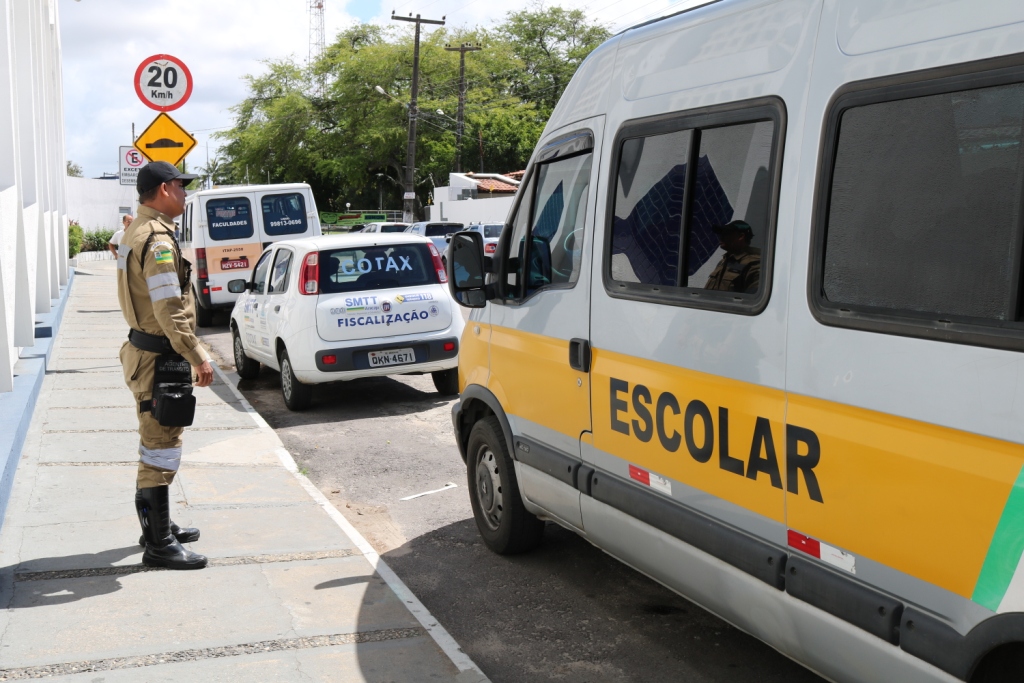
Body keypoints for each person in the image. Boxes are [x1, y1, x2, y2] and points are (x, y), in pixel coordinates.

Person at [116, 161, 212, 570]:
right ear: (163, 190)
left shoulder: (137, 229)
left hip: (147, 353)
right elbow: (169, 308)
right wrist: (197, 355)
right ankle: (159, 545)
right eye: (181, 185)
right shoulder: (156, 239)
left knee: (158, 439)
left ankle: (158, 525)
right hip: (159, 357)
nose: (185, 193)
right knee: (160, 446)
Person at [704, 220, 761, 294]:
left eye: (726, 233)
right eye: (721, 234)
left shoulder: (754, 264)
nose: (721, 237)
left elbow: (752, 298)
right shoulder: (725, 261)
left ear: (741, 236)